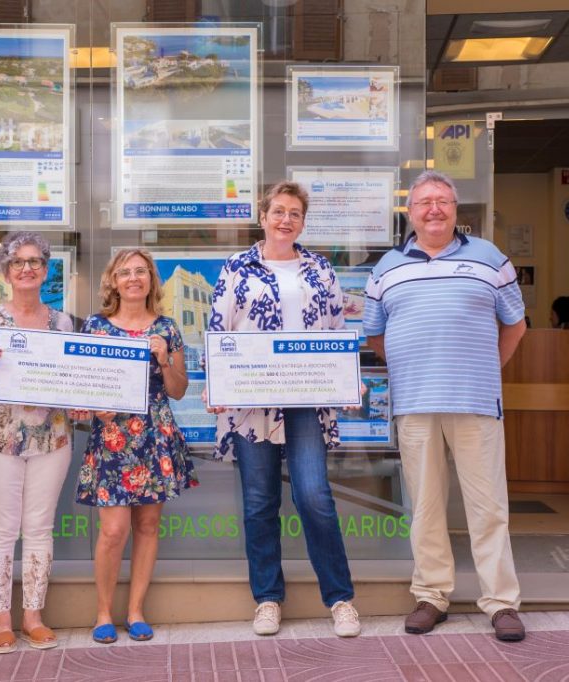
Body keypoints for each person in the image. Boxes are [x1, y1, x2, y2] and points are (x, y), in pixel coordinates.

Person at [363, 170, 528, 642]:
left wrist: (486, 369)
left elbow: (516, 325)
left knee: (488, 506)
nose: (433, 209)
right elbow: (377, 333)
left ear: (456, 210)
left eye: (442, 201)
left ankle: (501, 603)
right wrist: (413, 363)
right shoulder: (386, 267)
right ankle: (432, 596)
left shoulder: (490, 258)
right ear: (410, 212)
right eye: (424, 202)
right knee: (425, 507)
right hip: (415, 402)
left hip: (475, 400)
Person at [205, 181, 362, 638]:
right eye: (278, 211)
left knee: (314, 495)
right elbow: (219, 328)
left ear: (302, 221)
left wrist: (344, 381)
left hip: (306, 401)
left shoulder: (320, 268)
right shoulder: (237, 267)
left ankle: (340, 599)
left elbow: (335, 332)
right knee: (259, 502)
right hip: (252, 401)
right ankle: (268, 598)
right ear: (263, 216)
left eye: (294, 212)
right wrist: (216, 383)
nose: (285, 219)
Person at [0, 233, 89, 653]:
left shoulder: (64, 323)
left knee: (39, 528)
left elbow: (75, 381)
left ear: (47, 268)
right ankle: (1, 619)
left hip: (52, 438)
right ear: (5, 270)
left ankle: (33, 616)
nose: (27, 268)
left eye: (35, 261)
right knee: (1, 529)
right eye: (17, 262)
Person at [75, 248, 198, 644]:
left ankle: (136, 611)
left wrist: (164, 359)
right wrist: (96, 408)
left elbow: (178, 391)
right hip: (112, 440)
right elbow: (82, 388)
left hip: (154, 437)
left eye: (141, 272)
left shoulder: (167, 328)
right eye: (125, 272)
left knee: (147, 525)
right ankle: (103, 613)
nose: (133, 278)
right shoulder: (95, 326)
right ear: (113, 280)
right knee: (113, 530)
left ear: (151, 280)